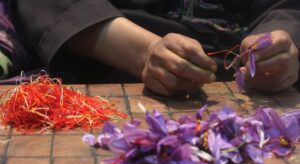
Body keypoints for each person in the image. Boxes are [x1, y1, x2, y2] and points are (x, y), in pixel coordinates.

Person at [5, 0, 300, 96]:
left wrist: (278, 46)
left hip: (246, 79)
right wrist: (145, 53)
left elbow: (285, 7)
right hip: (118, 64)